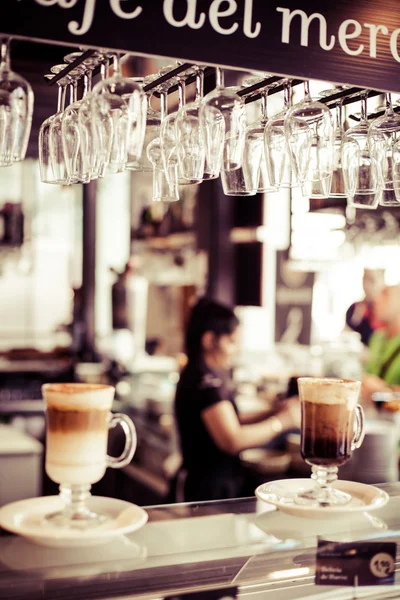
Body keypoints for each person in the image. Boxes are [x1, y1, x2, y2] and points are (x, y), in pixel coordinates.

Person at [173, 297, 300, 502]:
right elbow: (232, 440)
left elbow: (233, 418)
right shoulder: (204, 382)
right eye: (232, 342)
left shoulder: (203, 374)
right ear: (208, 340)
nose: (237, 349)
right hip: (207, 490)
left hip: (215, 484)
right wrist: (282, 421)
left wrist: (273, 411)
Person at [362, 284, 400, 403]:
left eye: (385, 294)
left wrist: (385, 391)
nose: (376, 299)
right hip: (376, 418)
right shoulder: (377, 338)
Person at [345, 268, 385, 345]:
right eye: (364, 279)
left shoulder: (389, 311)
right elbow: (347, 334)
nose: (366, 285)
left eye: (371, 280)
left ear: (382, 281)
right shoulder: (354, 308)